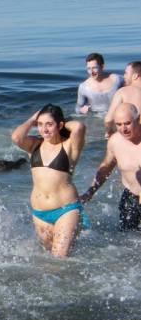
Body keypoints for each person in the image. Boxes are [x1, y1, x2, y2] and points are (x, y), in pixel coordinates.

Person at [11, 105, 87, 257]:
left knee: (59, 257)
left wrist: (62, 123)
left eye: (49, 125)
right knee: (48, 261)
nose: (44, 130)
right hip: (39, 213)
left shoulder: (69, 146)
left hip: (66, 210)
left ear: (59, 125)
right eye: (40, 125)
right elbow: (16, 137)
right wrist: (33, 118)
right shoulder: (34, 146)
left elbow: (79, 127)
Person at [81, 103, 141, 231]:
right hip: (130, 199)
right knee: (127, 240)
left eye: (127, 123)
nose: (123, 129)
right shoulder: (115, 141)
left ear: (138, 119)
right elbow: (105, 169)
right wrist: (90, 192)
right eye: (118, 124)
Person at [104, 61, 141, 137]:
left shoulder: (123, 92)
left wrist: (109, 132)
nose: (124, 76)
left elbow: (108, 120)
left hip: (130, 136)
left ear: (135, 76)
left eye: (126, 73)